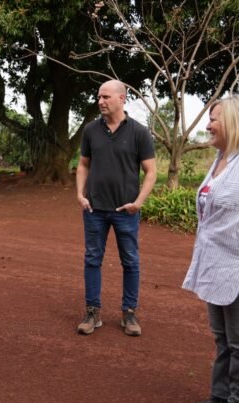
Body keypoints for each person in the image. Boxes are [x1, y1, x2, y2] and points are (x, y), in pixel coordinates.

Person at [76, 79, 156, 336]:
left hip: (126, 211)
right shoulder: (90, 130)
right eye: (99, 97)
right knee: (92, 259)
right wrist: (80, 194)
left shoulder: (139, 132)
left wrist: (138, 203)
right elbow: (83, 164)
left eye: (106, 97)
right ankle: (92, 312)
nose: (100, 101)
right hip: (95, 209)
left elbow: (151, 172)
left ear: (122, 98)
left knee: (130, 261)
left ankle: (129, 314)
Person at [183, 96, 239, 403]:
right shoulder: (220, 160)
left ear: (232, 121)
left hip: (236, 264)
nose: (207, 125)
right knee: (221, 338)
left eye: (213, 119)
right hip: (215, 261)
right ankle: (219, 396)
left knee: (238, 343)